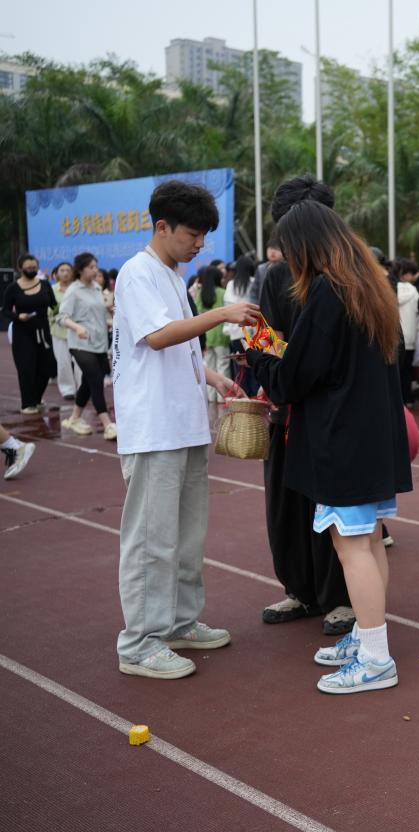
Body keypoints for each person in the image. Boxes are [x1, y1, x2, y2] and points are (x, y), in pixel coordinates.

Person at [249, 181, 412, 694]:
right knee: (369, 540)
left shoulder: (328, 291)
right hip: (371, 436)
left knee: (352, 547)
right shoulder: (369, 283)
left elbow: (294, 377)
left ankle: (376, 658)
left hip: (342, 439)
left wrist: (259, 354)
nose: (285, 260)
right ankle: (366, 637)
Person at [112, 179, 260, 680]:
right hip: (155, 427)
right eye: (192, 234)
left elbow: (179, 346)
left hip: (185, 423)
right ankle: (139, 643)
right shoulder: (137, 273)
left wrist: (212, 377)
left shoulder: (172, 277)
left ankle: (178, 622)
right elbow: (156, 337)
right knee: (151, 539)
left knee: (186, 535)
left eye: (203, 236)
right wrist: (221, 314)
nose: (199, 244)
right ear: (162, 226)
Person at [255, 178, 355, 637]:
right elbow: (267, 336)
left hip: (333, 414)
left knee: (337, 509)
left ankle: (343, 597)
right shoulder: (276, 277)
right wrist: (265, 360)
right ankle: (299, 589)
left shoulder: (347, 279)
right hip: (288, 409)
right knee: (287, 505)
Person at [57, 252, 116, 439]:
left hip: (99, 343)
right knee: (96, 379)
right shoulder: (74, 290)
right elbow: (61, 317)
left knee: (87, 382)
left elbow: (98, 316)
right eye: (91, 267)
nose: (95, 270)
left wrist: (112, 321)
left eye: (96, 266)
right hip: (80, 344)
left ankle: (74, 418)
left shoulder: (97, 288)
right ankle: (107, 424)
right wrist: (77, 327)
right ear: (81, 270)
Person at [2, 253, 57, 413]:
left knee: (48, 367)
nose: (32, 270)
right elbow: (5, 310)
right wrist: (18, 316)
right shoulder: (13, 288)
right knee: (26, 368)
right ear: (20, 268)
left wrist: (59, 314)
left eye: (34, 267)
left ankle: (37, 398)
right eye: (28, 268)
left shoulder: (45, 285)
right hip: (23, 333)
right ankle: (28, 403)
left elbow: (54, 305)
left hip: (43, 331)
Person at [190, 264, 231, 402]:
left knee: (209, 367)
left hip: (207, 336)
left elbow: (197, 312)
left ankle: (211, 398)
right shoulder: (222, 292)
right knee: (223, 366)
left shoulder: (201, 294)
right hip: (221, 336)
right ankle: (223, 398)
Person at [223, 254, 260, 397]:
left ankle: (243, 398)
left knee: (239, 368)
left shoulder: (231, 285)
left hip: (235, 331)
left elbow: (227, 306)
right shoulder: (254, 281)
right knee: (255, 365)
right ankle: (255, 398)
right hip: (253, 332)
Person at [49, 260, 79, 400]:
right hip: (59, 331)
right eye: (62, 270)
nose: (65, 273)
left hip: (77, 330)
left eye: (68, 270)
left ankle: (83, 389)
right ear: (56, 273)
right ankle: (67, 389)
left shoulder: (77, 288)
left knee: (81, 362)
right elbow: (49, 311)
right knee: (63, 362)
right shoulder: (51, 290)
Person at [395, 258, 419, 406]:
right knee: (407, 369)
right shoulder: (413, 290)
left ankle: (397, 400)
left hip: (396, 335)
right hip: (410, 336)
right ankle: (408, 399)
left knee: (396, 370)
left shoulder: (391, 289)